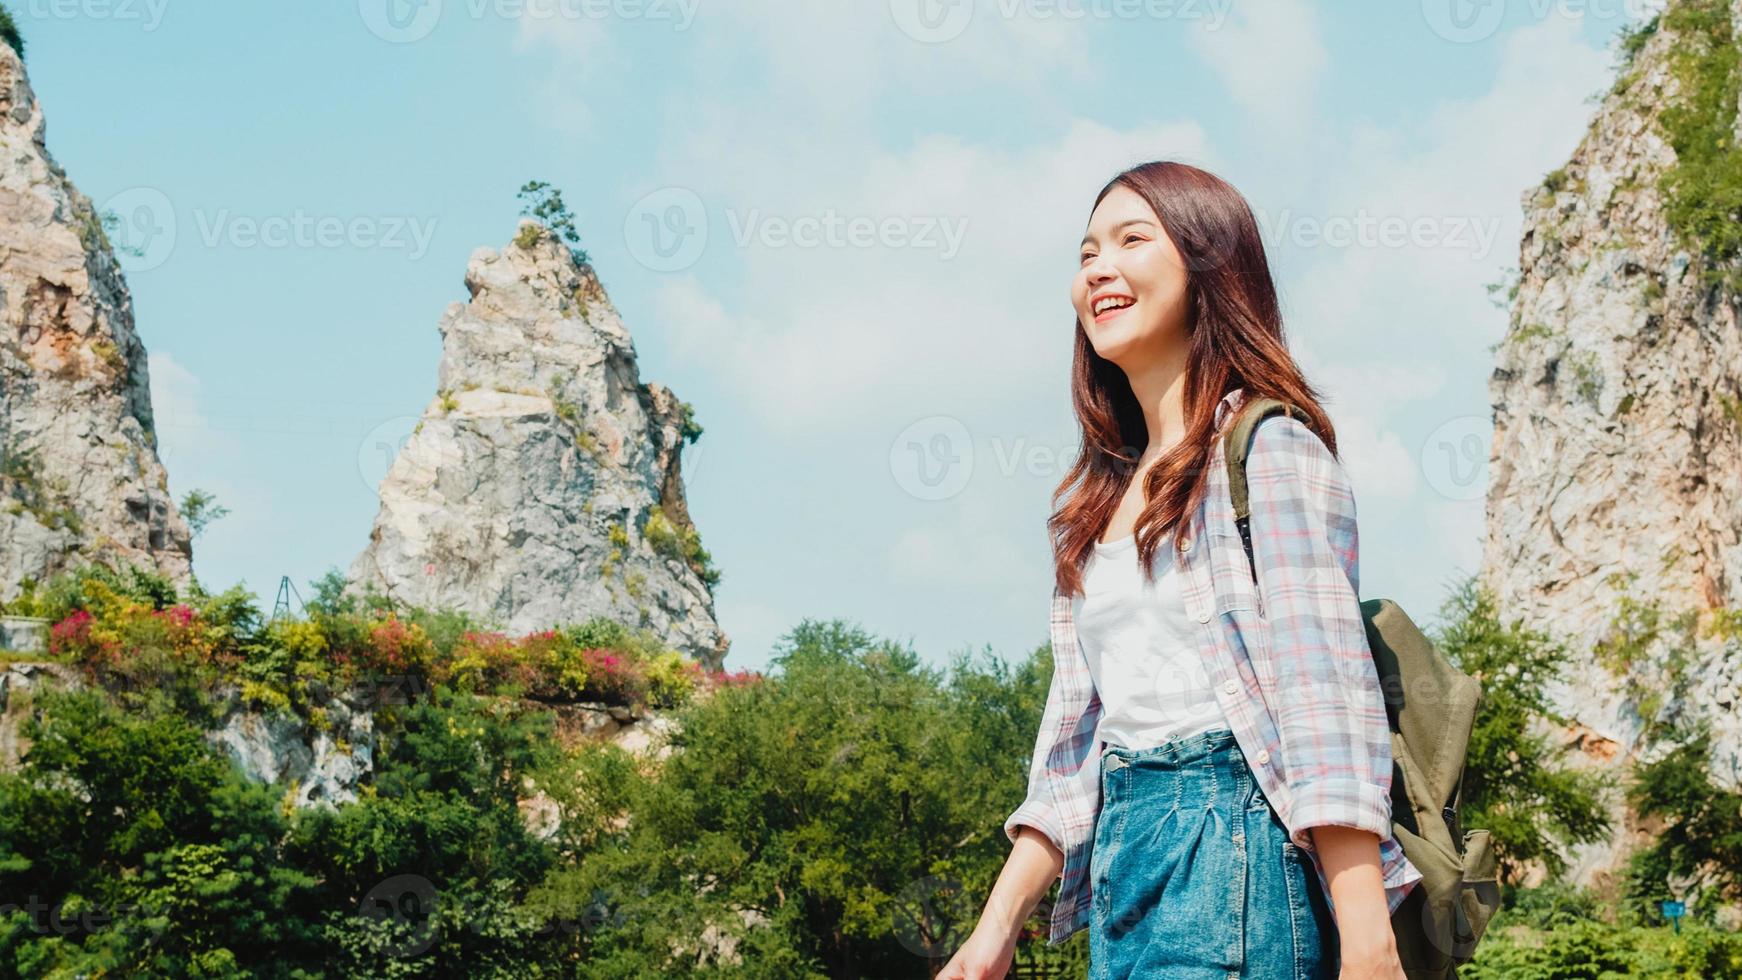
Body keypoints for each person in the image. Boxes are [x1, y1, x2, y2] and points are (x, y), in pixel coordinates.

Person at [937, 160, 1421, 979]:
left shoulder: (1267, 451)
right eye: (1086, 251)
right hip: (1124, 859)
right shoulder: (1095, 506)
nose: (1097, 267)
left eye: (1132, 239)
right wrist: (994, 933)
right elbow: (1073, 743)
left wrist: (1368, 939)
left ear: (1209, 267)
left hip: (1234, 846)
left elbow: (1326, 695)